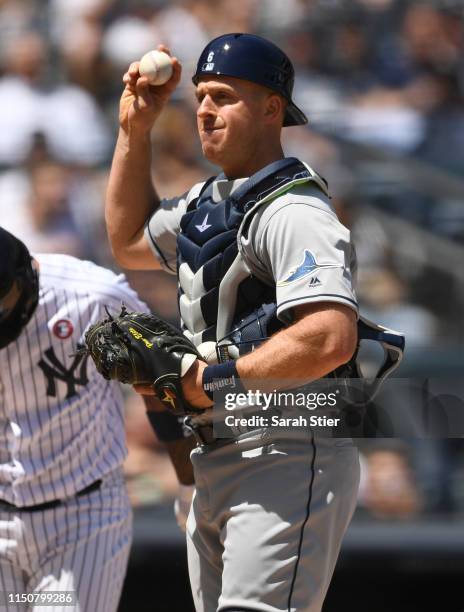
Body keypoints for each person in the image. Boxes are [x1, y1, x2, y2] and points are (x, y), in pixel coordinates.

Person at [104, 33, 364, 612]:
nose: (203, 110)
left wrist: (212, 379)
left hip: (288, 447)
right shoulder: (207, 203)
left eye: (222, 95)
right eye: (199, 96)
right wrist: (134, 132)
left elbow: (328, 335)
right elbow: (127, 240)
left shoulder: (295, 209)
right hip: (216, 450)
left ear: (272, 107)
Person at [0, 227, 193, 611]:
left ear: (23, 278)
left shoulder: (92, 297)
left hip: (80, 518)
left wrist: (188, 480)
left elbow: (157, 385)